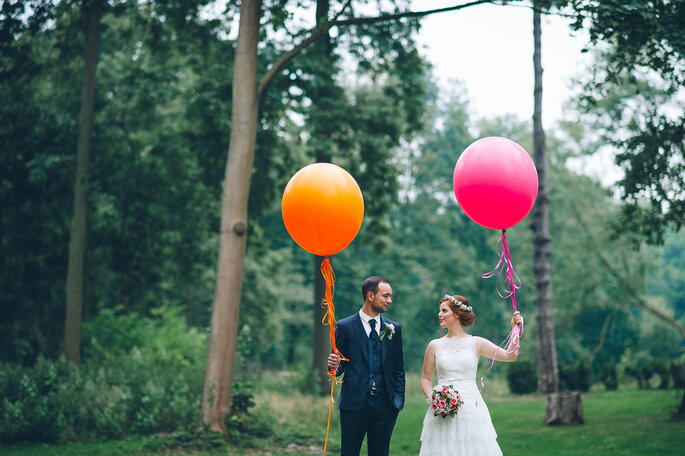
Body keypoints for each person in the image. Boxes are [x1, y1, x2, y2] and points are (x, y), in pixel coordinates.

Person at [419, 294, 523, 456]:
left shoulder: (477, 343)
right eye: (439, 311)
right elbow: (426, 378)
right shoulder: (434, 345)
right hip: (441, 410)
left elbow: (511, 356)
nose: (439, 314)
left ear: (457, 314)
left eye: (444, 311)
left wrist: (514, 330)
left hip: (471, 409)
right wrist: (433, 398)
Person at [327, 276, 405, 456]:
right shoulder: (344, 326)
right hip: (354, 405)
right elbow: (337, 370)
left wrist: (397, 402)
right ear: (370, 295)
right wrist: (334, 365)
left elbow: (399, 369)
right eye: (385, 296)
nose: (389, 300)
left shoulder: (394, 328)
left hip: (385, 406)